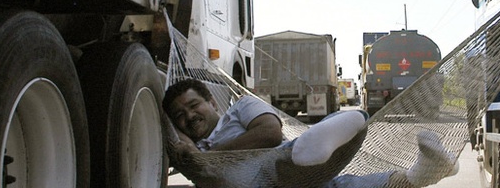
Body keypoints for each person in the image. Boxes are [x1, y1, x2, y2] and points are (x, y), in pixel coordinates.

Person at [163, 79, 458, 188]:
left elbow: (270, 133)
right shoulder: (192, 146)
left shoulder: (241, 107)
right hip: (290, 179)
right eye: (180, 116)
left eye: (193, 105)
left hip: (273, 171)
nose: (189, 116)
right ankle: (424, 173)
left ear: (212, 102)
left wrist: (211, 155)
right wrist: (193, 148)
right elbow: (179, 145)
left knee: (289, 160)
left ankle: (325, 138)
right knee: (338, 185)